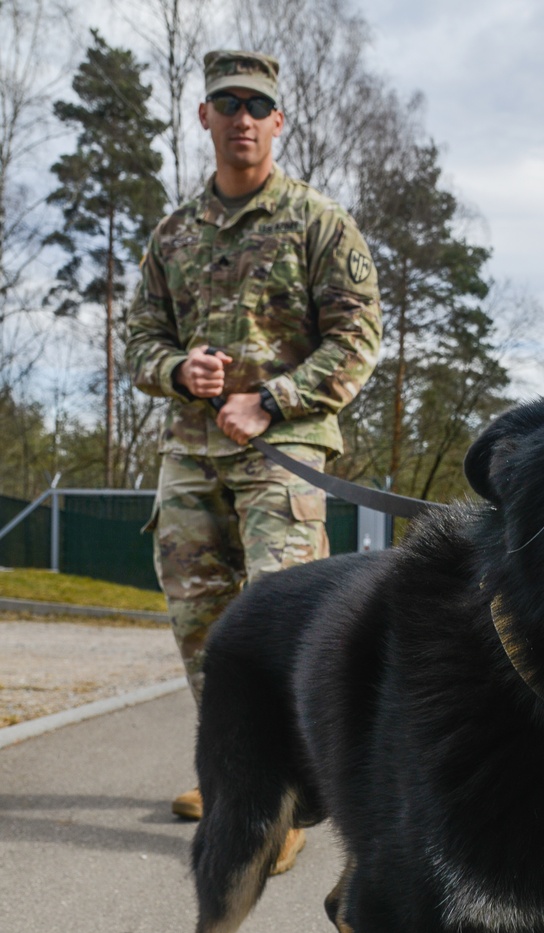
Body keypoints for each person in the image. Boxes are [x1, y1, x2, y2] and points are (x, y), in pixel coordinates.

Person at [126, 50, 381, 871]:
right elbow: (138, 338)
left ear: (278, 122)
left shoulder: (318, 223)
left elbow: (358, 342)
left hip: (286, 451)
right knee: (201, 627)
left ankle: (296, 795)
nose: (242, 117)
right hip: (191, 455)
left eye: (257, 106)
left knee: (282, 617)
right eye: (227, 103)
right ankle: (236, 775)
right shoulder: (173, 235)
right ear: (203, 116)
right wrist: (176, 371)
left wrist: (269, 399)